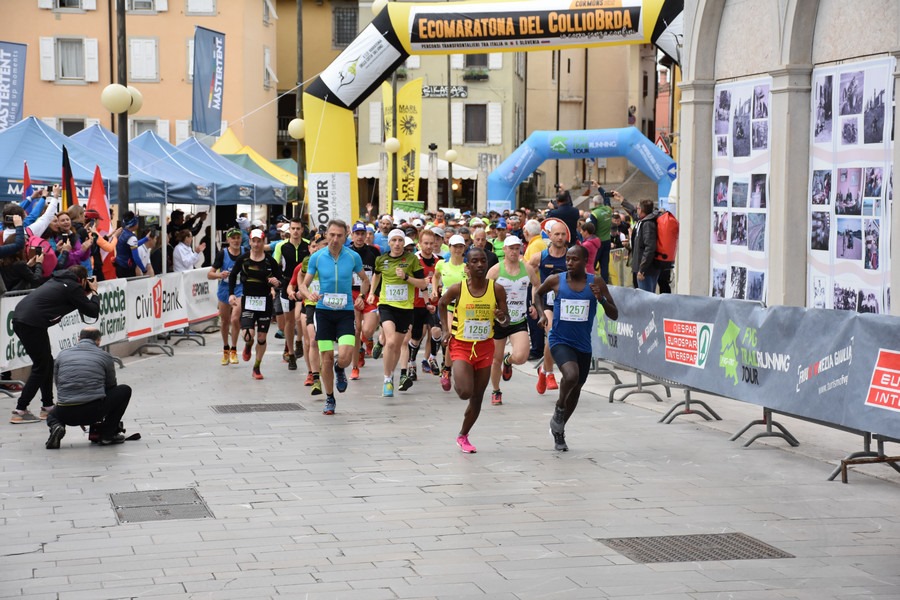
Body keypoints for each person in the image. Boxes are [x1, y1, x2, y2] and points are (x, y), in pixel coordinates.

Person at [534, 245, 618, 451]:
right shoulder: (556, 280)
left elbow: (614, 314)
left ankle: (559, 429)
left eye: (575, 260)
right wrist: (542, 314)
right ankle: (559, 408)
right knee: (570, 376)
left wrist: (602, 299)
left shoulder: (595, 283)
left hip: (583, 345)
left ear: (585, 261)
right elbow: (538, 294)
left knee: (577, 389)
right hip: (559, 340)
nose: (570, 263)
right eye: (568, 259)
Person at [439, 247, 509, 454]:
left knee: (477, 397)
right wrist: (445, 330)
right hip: (461, 345)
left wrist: (501, 316)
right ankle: (450, 372)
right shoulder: (458, 289)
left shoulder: (496, 289)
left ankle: (463, 435)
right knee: (464, 392)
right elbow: (441, 304)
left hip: (485, 347)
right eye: (475, 262)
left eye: (483, 261)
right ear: (467, 266)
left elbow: (506, 321)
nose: (480, 265)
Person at [10, 265, 101, 424]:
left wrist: (83, 292)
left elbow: (73, 302)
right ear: (82, 279)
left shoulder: (57, 280)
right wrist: (94, 291)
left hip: (24, 319)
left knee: (47, 363)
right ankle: (20, 409)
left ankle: (47, 406)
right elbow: (92, 311)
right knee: (41, 366)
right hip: (32, 323)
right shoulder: (72, 287)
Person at [298, 220, 369, 414]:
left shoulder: (353, 257)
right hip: (323, 312)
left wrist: (362, 296)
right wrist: (308, 294)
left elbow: (364, 279)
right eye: (332, 235)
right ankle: (329, 398)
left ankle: (341, 369)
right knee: (326, 358)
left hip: (345, 312)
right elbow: (303, 285)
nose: (335, 239)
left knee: (345, 356)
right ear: (326, 235)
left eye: (339, 235)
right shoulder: (317, 258)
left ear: (346, 236)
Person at [44, 327, 133, 449]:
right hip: (93, 411)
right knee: (124, 390)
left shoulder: (62, 355)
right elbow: (111, 386)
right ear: (98, 341)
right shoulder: (105, 356)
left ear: (79, 339)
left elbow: (58, 383)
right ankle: (107, 434)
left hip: (65, 411)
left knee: (52, 415)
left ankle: (56, 426)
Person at [368, 229, 428, 397]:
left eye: (400, 240)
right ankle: (387, 379)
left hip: (405, 308)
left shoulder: (412, 259)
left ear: (404, 242)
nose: (397, 244)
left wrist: (406, 278)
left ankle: (391, 373)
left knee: (397, 346)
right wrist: (372, 292)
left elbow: (422, 283)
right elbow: (376, 276)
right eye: (393, 240)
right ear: (389, 242)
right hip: (387, 305)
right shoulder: (381, 259)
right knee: (392, 342)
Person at [487, 235, 541, 406]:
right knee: (495, 359)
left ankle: (508, 361)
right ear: (504, 250)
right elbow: (485, 292)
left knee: (522, 357)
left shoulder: (527, 268)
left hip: (518, 319)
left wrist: (533, 304)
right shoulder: (495, 270)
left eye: (517, 248)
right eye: (510, 248)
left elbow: (537, 286)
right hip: (499, 320)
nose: (514, 251)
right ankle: (496, 390)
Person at [228, 229, 283, 380]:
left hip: (265, 302)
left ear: (263, 242)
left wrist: (276, 282)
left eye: (259, 241)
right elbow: (233, 275)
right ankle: (248, 344)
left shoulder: (269, 261)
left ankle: (257, 367)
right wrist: (231, 294)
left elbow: (281, 280)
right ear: (250, 242)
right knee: (248, 335)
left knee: (261, 338)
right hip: (249, 301)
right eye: (254, 241)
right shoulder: (244, 259)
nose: (257, 244)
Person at [528, 220, 569, 394]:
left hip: (567, 302)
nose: (560, 238)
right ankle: (550, 373)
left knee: (560, 339)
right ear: (549, 236)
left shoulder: (571, 255)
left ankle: (543, 371)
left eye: (562, 234)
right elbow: (529, 274)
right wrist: (532, 299)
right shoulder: (541, 256)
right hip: (547, 303)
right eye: (556, 234)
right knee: (552, 332)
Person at [431, 234, 468, 390]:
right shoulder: (442, 264)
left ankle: (454, 367)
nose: (457, 249)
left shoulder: (467, 266)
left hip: (465, 307)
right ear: (450, 247)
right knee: (451, 337)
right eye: (455, 246)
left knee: (462, 339)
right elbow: (435, 276)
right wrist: (434, 290)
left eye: (460, 246)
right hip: (447, 306)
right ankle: (446, 370)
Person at [272, 218, 310, 371]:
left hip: (303, 286)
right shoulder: (282, 246)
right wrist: (276, 284)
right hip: (287, 285)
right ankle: (291, 352)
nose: (295, 231)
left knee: (298, 318)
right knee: (289, 322)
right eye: (293, 229)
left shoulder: (307, 245)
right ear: (289, 231)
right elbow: (275, 265)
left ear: (302, 230)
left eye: (298, 228)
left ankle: (299, 341)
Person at [347, 221, 381, 380]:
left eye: (362, 234)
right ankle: (354, 367)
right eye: (357, 234)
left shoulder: (374, 252)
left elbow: (378, 274)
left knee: (367, 330)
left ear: (366, 235)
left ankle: (364, 342)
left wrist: (372, 292)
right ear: (352, 235)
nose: (360, 237)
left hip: (369, 294)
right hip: (351, 294)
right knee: (355, 330)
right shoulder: (345, 252)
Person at [209, 228, 244, 366]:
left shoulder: (245, 252)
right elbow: (209, 274)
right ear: (228, 240)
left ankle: (234, 349)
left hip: (240, 289)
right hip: (224, 290)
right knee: (224, 321)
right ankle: (225, 349)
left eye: (238, 237)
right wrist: (219, 274)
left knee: (235, 319)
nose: (235, 240)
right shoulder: (222, 254)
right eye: (233, 238)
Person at [631, 199, 661, 293]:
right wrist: (622, 200)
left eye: (638, 208)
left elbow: (650, 248)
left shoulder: (647, 224)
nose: (637, 210)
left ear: (642, 210)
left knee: (646, 299)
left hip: (646, 271)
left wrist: (642, 269)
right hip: (646, 268)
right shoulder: (644, 221)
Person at [114, 212, 150, 278]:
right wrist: (144, 270)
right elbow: (136, 258)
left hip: (119, 266)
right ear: (134, 223)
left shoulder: (123, 232)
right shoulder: (131, 237)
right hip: (126, 269)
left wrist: (146, 239)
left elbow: (133, 245)